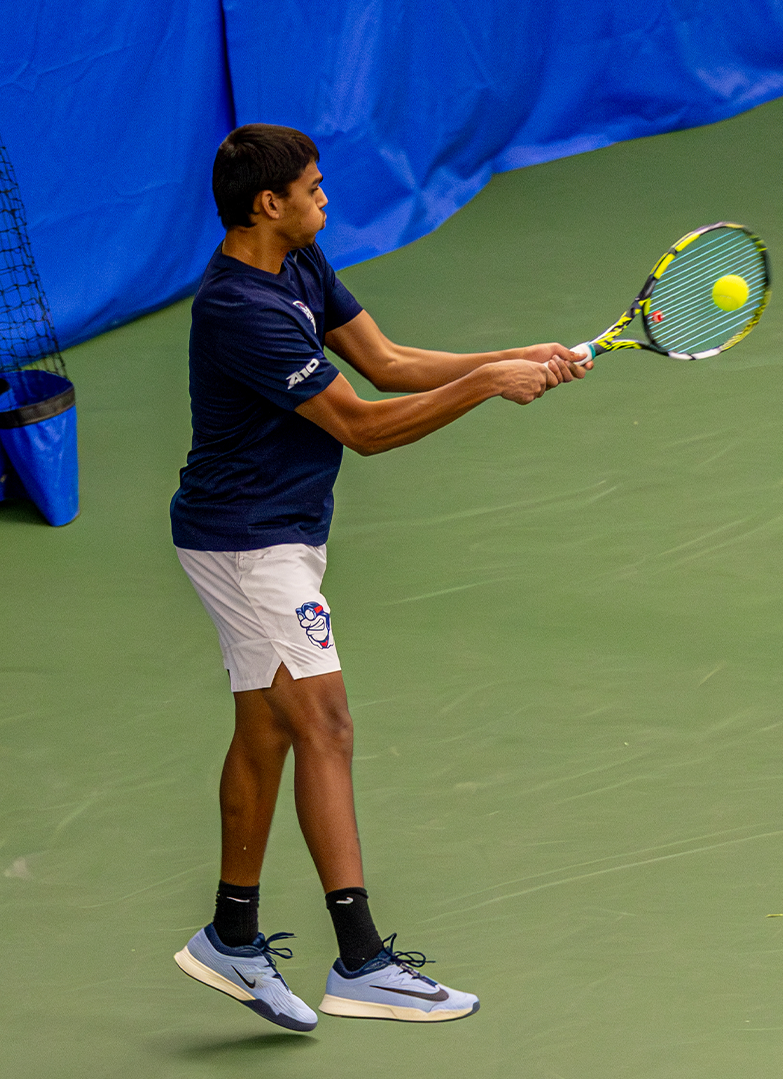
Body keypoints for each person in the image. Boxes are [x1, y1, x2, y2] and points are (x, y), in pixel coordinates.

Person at [169, 124, 589, 1030]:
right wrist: (487, 387)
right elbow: (360, 425)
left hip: (275, 535)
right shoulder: (239, 309)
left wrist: (513, 358)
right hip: (248, 545)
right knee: (325, 722)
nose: (326, 199)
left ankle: (231, 936)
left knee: (267, 732)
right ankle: (361, 960)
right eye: (313, 188)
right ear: (268, 204)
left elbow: (389, 364)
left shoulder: (300, 261)